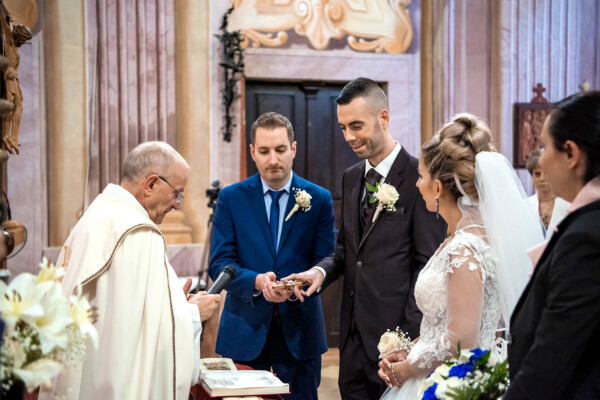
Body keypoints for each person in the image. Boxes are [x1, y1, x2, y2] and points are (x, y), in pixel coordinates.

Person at [285, 77, 446, 400]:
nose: (348, 136)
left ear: (383, 117)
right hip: (352, 342)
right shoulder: (351, 177)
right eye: (343, 127)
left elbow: (427, 265)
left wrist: (405, 340)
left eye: (356, 126)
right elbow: (347, 250)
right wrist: (319, 272)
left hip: (396, 343)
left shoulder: (419, 178)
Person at [376, 113, 543, 399]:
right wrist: (412, 350)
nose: (417, 184)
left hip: (453, 382)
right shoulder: (462, 237)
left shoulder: (464, 249)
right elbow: (443, 324)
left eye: (421, 176)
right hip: (446, 370)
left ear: (438, 187)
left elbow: (459, 341)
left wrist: (405, 370)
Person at [39, 142, 221, 400]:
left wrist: (172, 304)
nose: (177, 205)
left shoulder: (94, 217)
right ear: (151, 184)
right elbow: (138, 339)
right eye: (177, 194)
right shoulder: (138, 233)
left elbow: (122, 313)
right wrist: (192, 313)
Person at [209, 112, 336, 400]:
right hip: (244, 329)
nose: (273, 159)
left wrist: (299, 284)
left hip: (300, 330)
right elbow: (219, 263)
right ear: (253, 152)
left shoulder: (318, 199)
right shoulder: (231, 198)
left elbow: (328, 259)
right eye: (264, 151)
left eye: (280, 149)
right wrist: (256, 281)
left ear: (293, 148)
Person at [506, 92, 600, 399]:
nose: (541, 160)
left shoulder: (586, 238)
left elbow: (551, 360)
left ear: (571, 153)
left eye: (545, 146)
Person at [525, 147, 570, 239]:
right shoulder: (524, 205)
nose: (542, 179)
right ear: (532, 176)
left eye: (546, 173)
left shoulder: (568, 205)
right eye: (537, 174)